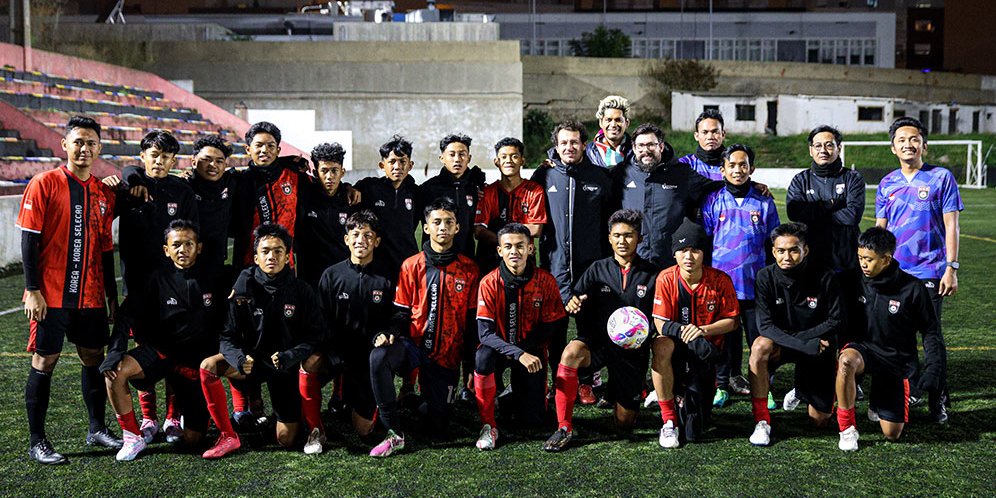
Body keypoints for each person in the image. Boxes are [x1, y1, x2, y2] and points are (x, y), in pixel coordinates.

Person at [17, 115, 122, 464]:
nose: (84, 148)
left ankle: (96, 427)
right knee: (45, 360)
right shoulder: (44, 183)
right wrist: (32, 290)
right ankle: (38, 441)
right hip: (51, 295)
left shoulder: (105, 194)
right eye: (78, 141)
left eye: (91, 143)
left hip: (90, 296)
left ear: (99, 148)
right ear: (65, 145)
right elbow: (29, 241)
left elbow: (107, 249)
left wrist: (110, 296)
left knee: (92, 358)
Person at [198, 223, 325, 459]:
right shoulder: (242, 291)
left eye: (278, 251)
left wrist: (291, 356)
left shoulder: (302, 290)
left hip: (284, 367)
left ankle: (292, 416)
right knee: (208, 366)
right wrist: (238, 358)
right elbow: (227, 335)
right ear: (255, 258)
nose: (272, 256)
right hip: (252, 363)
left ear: (288, 257)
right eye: (265, 251)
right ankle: (227, 435)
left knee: (286, 440)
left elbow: (315, 336)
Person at [101, 220, 224, 461]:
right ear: (166, 250)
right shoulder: (154, 279)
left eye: (189, 244)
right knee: (115, 371)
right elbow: (126, 315)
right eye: (176, 245)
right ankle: (132, 436)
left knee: (193, 440)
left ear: (199, 247)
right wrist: (115, 350)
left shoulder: (215, 277)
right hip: (163, 354)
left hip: (193, 364)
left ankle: (182, 416)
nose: (183, 250)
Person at [367, 199, 479, 457]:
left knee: (438, 426)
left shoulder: (469, 269)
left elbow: (472, 322)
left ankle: (420, 400)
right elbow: (401, 312)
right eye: (436, 222)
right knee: (379, 357)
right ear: (426, 228)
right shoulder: (411, 265)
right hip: (413, 349)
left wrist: (470, 366)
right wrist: (390, 333)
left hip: (447, 357)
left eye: (448, 222)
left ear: (457, 228)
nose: (443, 227)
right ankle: (394, 432)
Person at [544, 209, 658, 452]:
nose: (622, 241)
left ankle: (617, 388)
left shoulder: (652, 274)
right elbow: (576, 297)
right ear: (609, 238)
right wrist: (574, 301)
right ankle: (564, 426)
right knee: (571, 352)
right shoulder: (597, 269)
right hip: (599, 343)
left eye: (628, 235)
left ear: (639, 238)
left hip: (632, 351)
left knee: (624, 425)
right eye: (616, 235)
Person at [112, 129, 200, 442]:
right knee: (143, 351)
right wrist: (128, 177)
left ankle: (172, 418)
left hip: (174, 289)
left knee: (174, 352)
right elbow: (122, 177)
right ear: (143, 156)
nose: (159, 161)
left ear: (174, 160)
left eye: (165, 156)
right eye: (153, 155)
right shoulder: (129, 188)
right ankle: (148, 419)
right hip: (137, 290)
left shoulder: (183, 191)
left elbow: (192, 236)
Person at [875, 116, 962, 424]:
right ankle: (909, 393)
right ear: (893, 148)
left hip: (930, 271)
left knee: (931, 337)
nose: (908, 144)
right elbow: (880, 231)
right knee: (899, 337)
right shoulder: (887, 184)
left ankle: (938, 398)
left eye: (914, 139)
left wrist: (950, 267)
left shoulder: (941, 178)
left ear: (924, 145)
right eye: (901, 140)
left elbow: (951, 225)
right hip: (897, 273)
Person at [835, 227, 945, 451]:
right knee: (846, 361)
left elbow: (931, 331)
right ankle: (847, 428)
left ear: (886, 259)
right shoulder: (850, 280)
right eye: (860, 258)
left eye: (869, 259)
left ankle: (879, 402)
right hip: (862, 351)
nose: (863, 264)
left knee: (892, 434)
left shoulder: (913, 289)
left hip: (896, 361)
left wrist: (933, 368)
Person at [299, 210, 395, 454]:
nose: (361, 240)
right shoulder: (331, 275)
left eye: (367, 235)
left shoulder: (386, 277)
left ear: (377, 241)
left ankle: (351, 396)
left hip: (367, 358)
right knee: (309, 363)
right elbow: (320, 319)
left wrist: (386, 332)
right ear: (346, 240)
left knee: (363, 431)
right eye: (355, 234)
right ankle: (315, 429)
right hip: (336, 352)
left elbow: (394, 317)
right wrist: (331, 348)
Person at [531, 120, 613, 403]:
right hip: (554, 272)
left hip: (591, 274)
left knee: (590, 331)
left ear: (584, 145)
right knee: (554, 334)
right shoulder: (542, 177)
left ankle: (587, 381)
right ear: (556, 145)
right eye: (564, 142)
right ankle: (557, 382)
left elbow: (609, 225)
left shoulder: (600, 178)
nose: (569, 147)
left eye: (574, 142)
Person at [746, 222, 842, 447]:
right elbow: (766, 327)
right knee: (760, 346)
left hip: (817, 345)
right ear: (773, 252)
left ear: (805, 250)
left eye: (793, 250)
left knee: (819, 421)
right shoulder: (764, 277)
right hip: (785, 343)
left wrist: (807, 341)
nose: (787, 256)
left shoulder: (825, 276)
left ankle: (803, 389)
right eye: (781, 251)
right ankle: (761, 420)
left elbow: (835, 320)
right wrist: (802, 343)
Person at [473, 224, 567, 451]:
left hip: (530, 349)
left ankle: (510, 397)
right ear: (499, 251)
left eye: (519, 246)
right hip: (499, 350)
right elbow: (485, 334)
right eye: (508, 247)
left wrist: (529, 353)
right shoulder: (489, 282)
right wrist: (518, 353)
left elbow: (552, 326)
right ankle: (488, 424)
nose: (514, 252)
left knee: (532, 420)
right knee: (482, 357)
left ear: (530, 249)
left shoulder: (545, 281)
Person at [700, 144, 779, 407]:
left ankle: (763, 387)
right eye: (732, 165)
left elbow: (773, 244)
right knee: (724, 340)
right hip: (723, 286)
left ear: (751, 169)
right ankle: (722, 385)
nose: (737, 169)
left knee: (758, 340)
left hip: (756, 285)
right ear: (722, 170)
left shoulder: (764, 201)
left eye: (743, 165)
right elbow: (708, 241)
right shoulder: (713, 201)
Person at [650, 218, 739, 448]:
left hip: (705, 352)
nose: (688, 257)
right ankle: (667, 417)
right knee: (660, 344)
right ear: (674, 254)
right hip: (676, 349)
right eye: (682, 250)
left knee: (693, 432)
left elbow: (732, 321)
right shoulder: (666, 278)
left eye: (695, 250)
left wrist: (702, 331)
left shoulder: (720, 280)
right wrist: (683, 331)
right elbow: (660, 323)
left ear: (703, 253)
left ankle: (681, 394)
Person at [615, 123, 723, 268]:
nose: (645, 150)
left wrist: (752, 186)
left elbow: (715, 186)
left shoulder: (682, 173)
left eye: (651, 145)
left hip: (670, 262)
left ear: (661, 146)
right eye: (640, 146)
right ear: (634, 148)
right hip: (634, 262)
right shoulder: (622, 173)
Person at [786, 125, 865, 273]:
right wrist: (831, 204)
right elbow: (795, 213)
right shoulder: (800, 180)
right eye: (818, 146)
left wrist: (813, 214)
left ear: (839, 148)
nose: (823, 150)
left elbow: (853, 216)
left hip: (846, 259)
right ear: (811, 150)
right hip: (810, 258)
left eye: (829, 145)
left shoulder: (853, 178)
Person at [473, 137, 547, 274]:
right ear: (497, 162)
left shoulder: (534, 190)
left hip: (524, 260)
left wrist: (502, 238)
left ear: (522, 160)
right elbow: (479, 232)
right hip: (490, 259)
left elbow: (536, 229)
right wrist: (513, 242)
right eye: (504, 157)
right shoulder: (487, 192)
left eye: (514, 156)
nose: (509, 161)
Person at [355, 135, 422, 281]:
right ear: (382, 165)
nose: (397, 167)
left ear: (410, 165)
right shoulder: (369, 188)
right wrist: (348, 188)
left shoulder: (417, 193)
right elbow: (345, 193)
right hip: (376, 266)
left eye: (402, 162)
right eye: (392, 162)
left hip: (407, 264)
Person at [296, 142, 355, 288]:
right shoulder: (303, 194)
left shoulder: (351, 200)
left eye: (335, 170)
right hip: (310, 278)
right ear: (316, 173)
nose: (330, 176)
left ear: (342, 172)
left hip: (343, 278)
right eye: (324, 171)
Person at [420, 133, 487, 258]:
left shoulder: (476, 189)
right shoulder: (427, 189)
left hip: (467, 259)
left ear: (469, 158)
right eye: (452, 154)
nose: (457, 159)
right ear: (442, 158)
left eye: (462, 154)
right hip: (434, 260)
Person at [677, 109, 728, 181]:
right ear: (696, 136)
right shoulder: (685, 164)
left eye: (715, 132)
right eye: (705, 132)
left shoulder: (733, 165)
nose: (710, 137)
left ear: (723, 134)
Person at [585, 95, 633, 169]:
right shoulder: (588, 153)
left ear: (626, 123)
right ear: (601, 123)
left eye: (618, 120)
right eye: (608, 120)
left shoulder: (636, 151)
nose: (613, 125)